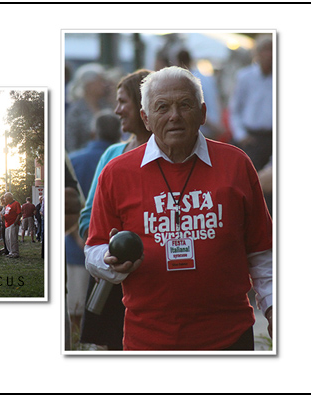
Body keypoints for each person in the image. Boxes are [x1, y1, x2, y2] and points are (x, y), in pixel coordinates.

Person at [84, 66, 273, 350]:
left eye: (185, 105)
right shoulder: (116, 173)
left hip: (229, 338)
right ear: (146, 119)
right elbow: (93, 249)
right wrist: (110, 260)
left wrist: (274, 310)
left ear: (203, 113)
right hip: (147, 341)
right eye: (162, 107)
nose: (175, 115)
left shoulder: (236, 164)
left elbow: (262, 253)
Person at [76, 69, 152, 350]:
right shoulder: (112, 154)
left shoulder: (169, 151)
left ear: (143, 105)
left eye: (123, 102)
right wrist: (109, 245)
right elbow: (87, 218)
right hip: (112, 277)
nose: (117, 110)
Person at [229, 35, 273, 171]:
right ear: (257, 53)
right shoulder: (245, 77)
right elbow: (235, 109)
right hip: (252, 138)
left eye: (272, 50)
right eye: (265, 50)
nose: (269, 54)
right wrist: (241, 135)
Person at [65, 63, 112, 152]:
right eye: (101, 81)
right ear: (89, 84)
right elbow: (71, 140)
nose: (104, 85)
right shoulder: (76, 110)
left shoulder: (107, 106)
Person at [3, 192, 21, 258]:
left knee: (13, 239)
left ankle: (15, 252)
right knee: (8, 239)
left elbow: (19, 213)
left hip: (13, 223)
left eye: (5, 197)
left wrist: (15, 222)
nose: (4, 199)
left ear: (8, 197)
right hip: (7, 224)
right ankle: (10, 252)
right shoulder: (7, 205)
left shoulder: (16, 204)